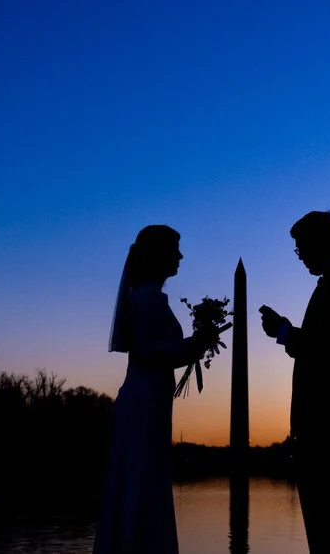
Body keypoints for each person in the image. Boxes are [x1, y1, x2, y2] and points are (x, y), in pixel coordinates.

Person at [95, 225, 219, 554]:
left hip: (148, 397)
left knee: (143, 479)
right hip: (145, 399)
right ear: (158, 254)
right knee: (143, 481)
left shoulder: (148, 296)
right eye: (174, 249)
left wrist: (193, 344)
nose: (180, 256)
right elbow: (150, 353)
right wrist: (196, 344)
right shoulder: (148, 298)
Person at [259, 211, 330, 554]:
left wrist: (283, 331)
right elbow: (321, 344)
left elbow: (326, 348)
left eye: (302, 247)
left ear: (321, 241)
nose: (301, 256)